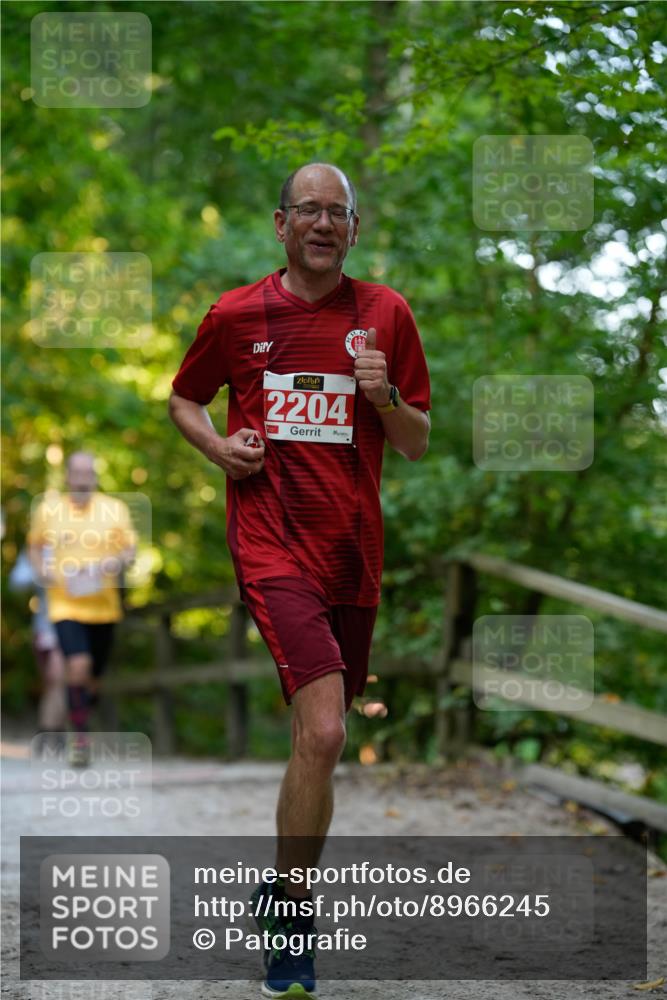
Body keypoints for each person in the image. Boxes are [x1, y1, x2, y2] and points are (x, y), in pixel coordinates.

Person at [169, 163, 430, 998]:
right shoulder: (236, 315)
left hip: (352, 555)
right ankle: (293, 923)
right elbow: (183, 399)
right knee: (323, 733)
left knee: (316, 739)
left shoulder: (385, 314)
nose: (323, 223)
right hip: (270, 544)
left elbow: (416, 441)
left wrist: (384, 398)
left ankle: (280, 886)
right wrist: (219, 448)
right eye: (308, 210)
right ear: (281, 224)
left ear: (354, 228)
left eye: (337, 212)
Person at [27, 451, 136, 767]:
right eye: (77, 473)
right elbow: (34, 547)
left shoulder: (115, 509)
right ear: (67, 476)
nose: (82, 479)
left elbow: (129, 550)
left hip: (104, 608)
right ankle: (80, 739)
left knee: (93, 676)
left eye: (88, 473)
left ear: (95, 477)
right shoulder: (49, 510)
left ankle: (80, 714)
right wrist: (43, 572)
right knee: (77, 665)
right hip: (65, 604)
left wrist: (115, 562)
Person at [8, 547, 67, 746]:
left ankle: (50, 732)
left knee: (58, 676)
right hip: (46, 627)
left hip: (79, 624)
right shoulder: (40, 548)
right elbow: (17, 582)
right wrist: (43, 573)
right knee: (52, 682)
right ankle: (53, 732)